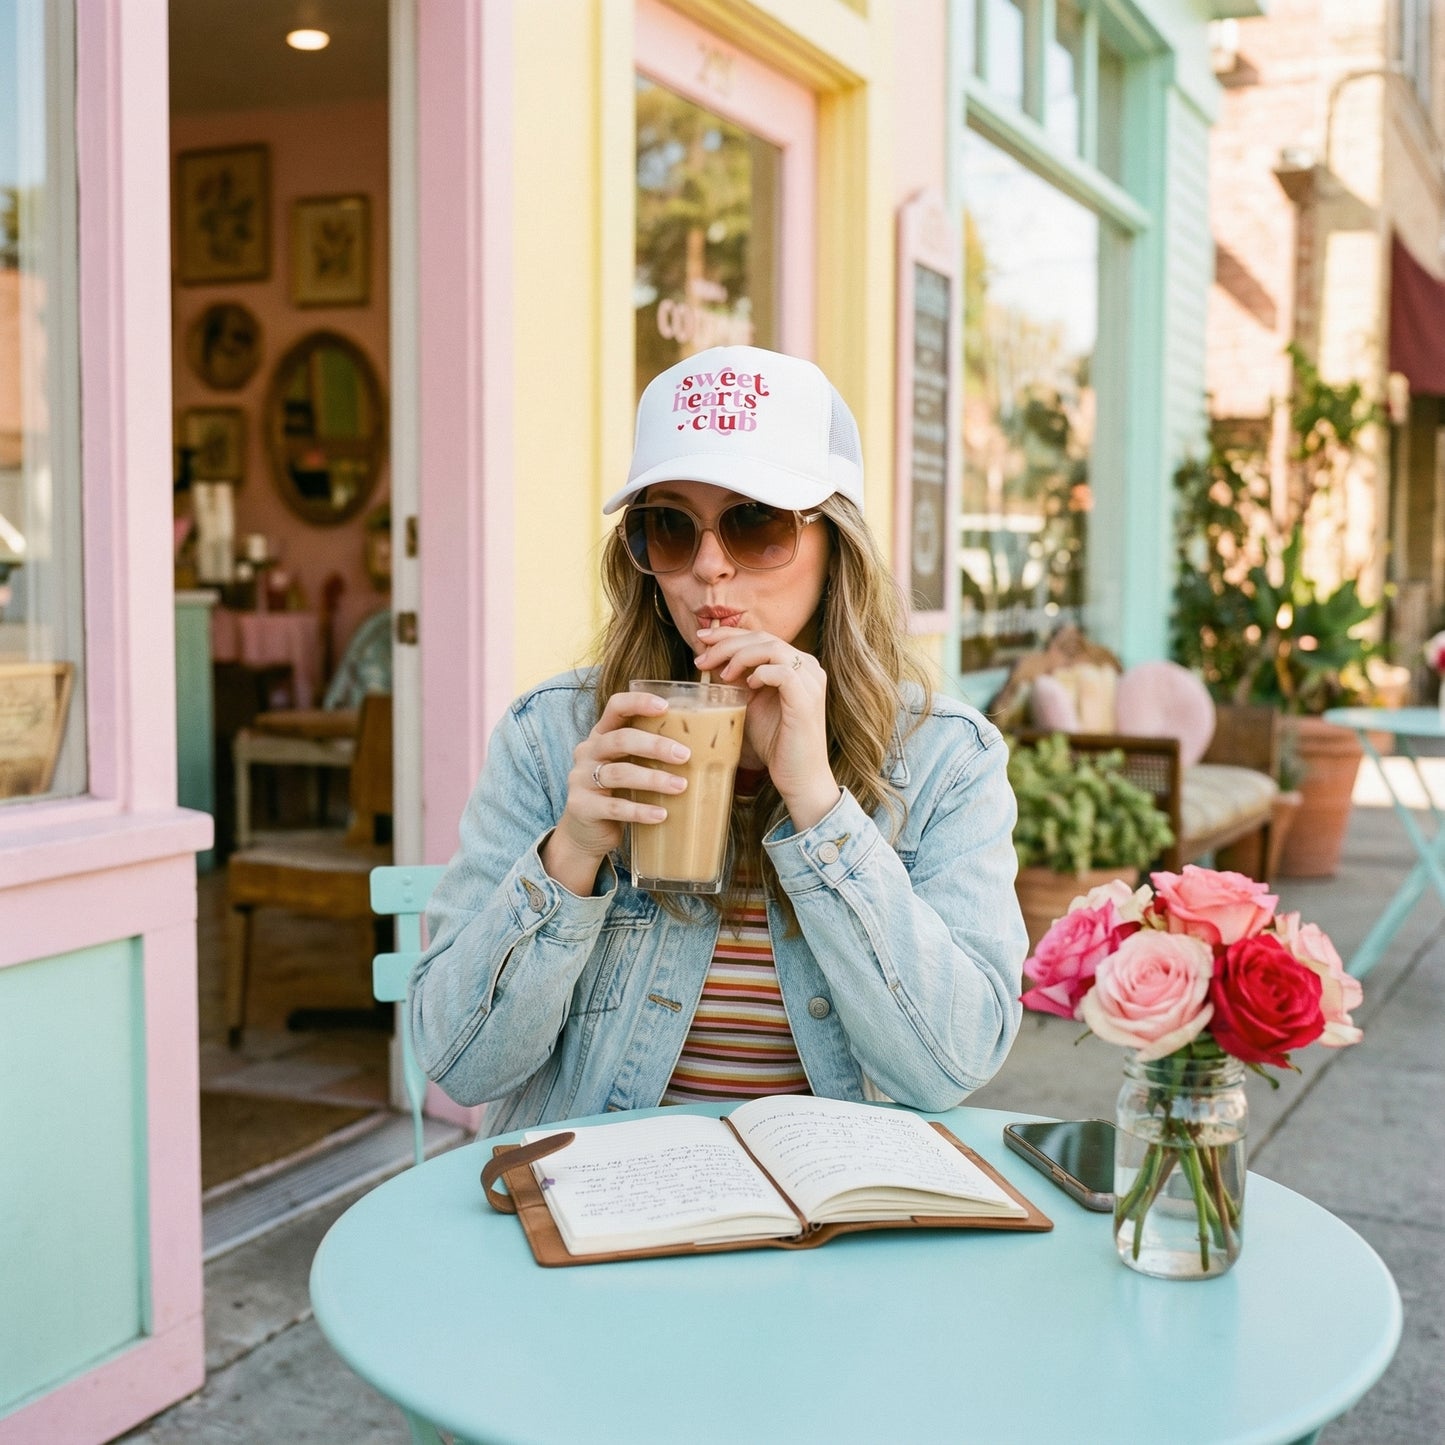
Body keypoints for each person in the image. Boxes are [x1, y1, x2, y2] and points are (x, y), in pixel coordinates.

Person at [410, 345, 1027, 1134]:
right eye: (669, 527)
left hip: (826, 1214)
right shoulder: (552, 734)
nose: (708, 568)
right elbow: (463, 1066)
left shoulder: (946, 758)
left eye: (755, 523)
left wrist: (818, 806)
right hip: (600, 1201)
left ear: (834, 541)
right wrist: (570, 855)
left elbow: (951, 1065)